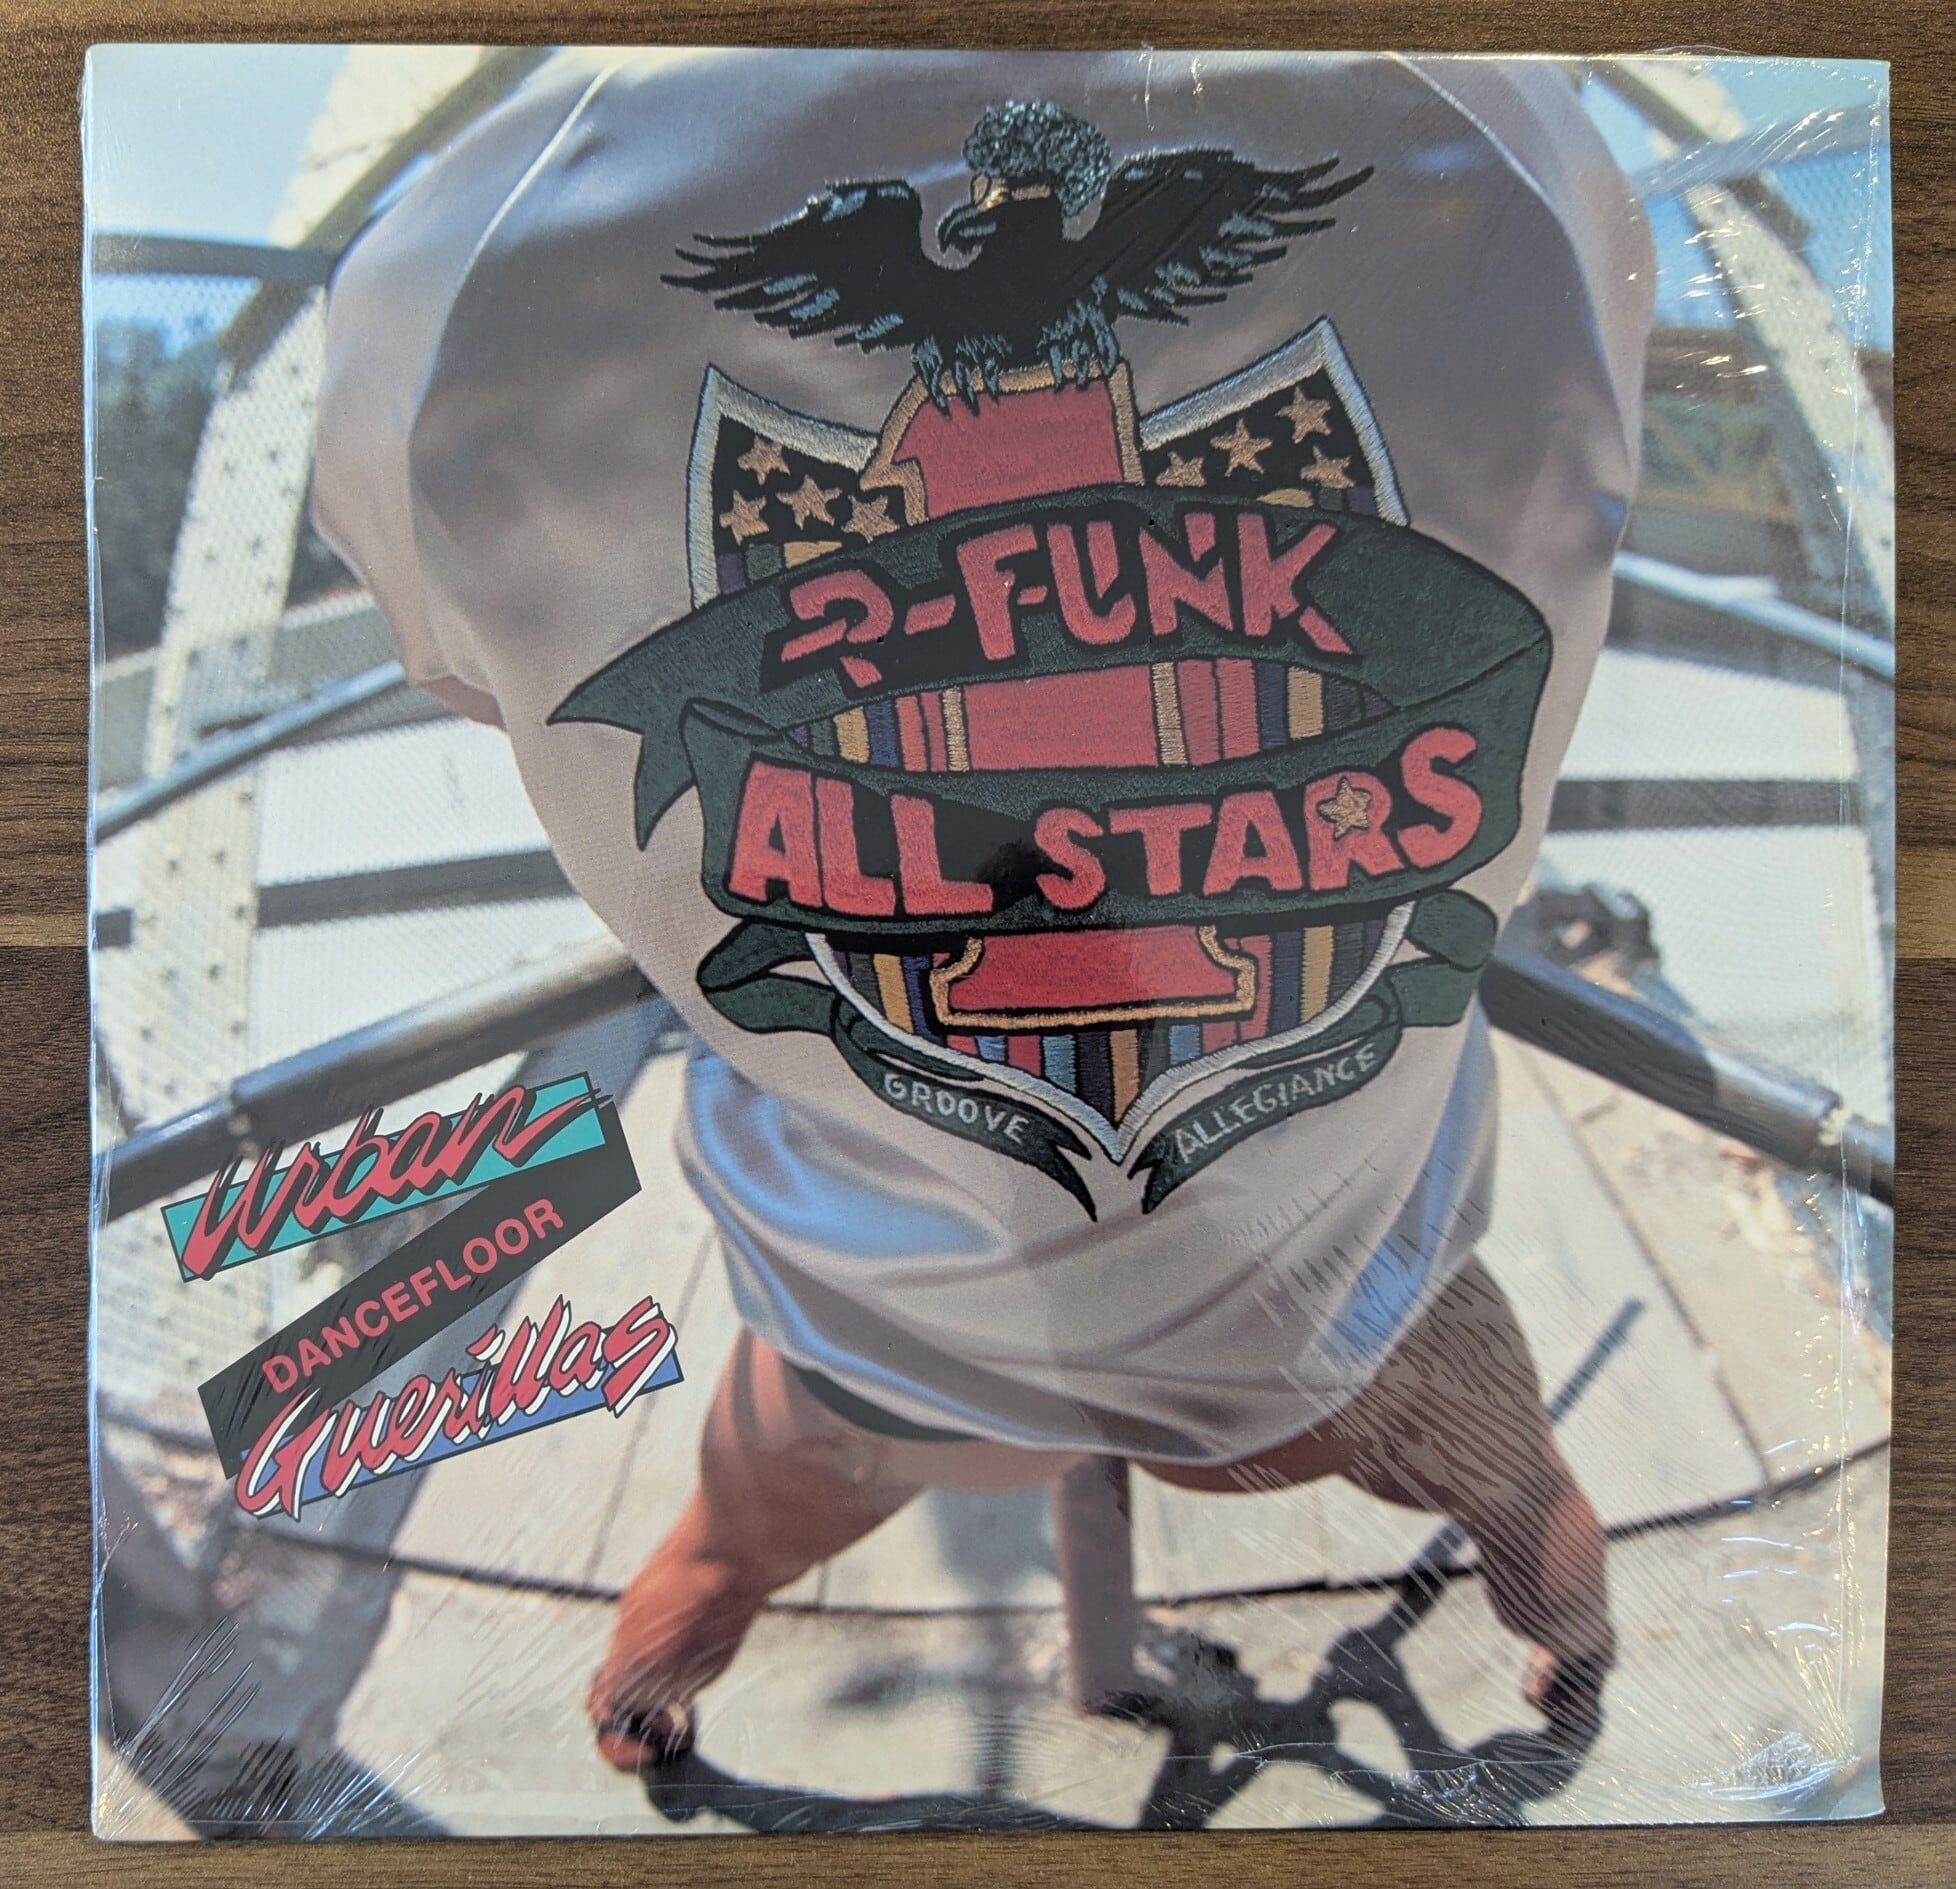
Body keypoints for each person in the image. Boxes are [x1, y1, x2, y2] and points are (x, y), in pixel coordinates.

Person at [312, 49, 1654, 1775]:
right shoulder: (1491, 123)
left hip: (894, 1325)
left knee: (720, 1550)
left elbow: (473, 679)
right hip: (1330, 1303)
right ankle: (1577, 1656)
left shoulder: (478, 245)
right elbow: (1575, 504)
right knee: (1521, 1492)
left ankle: (652, 1695)